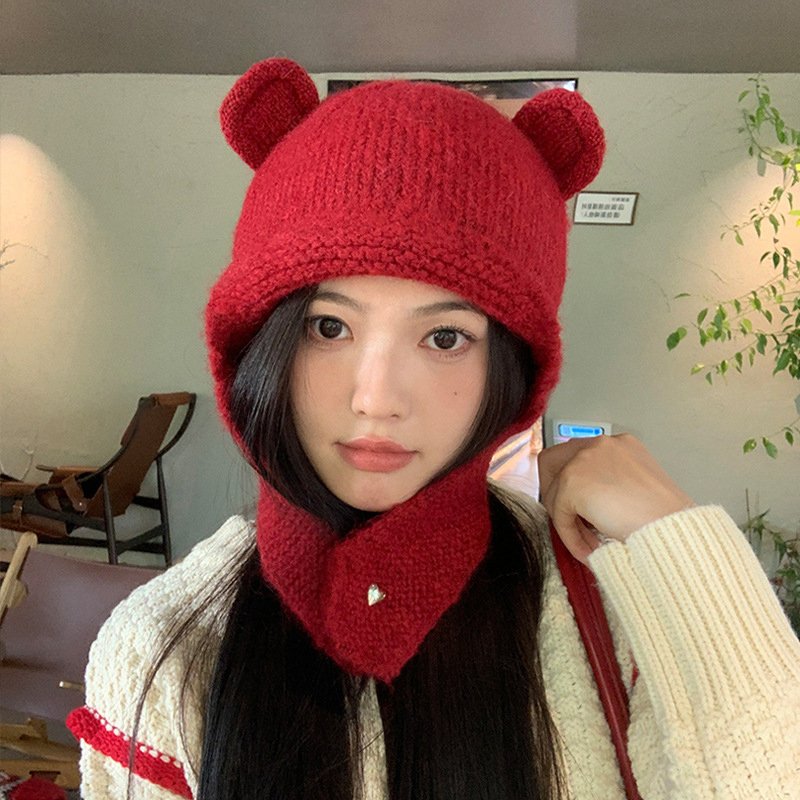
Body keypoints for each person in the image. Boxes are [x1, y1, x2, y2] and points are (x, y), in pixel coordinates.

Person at [67, 58, 800, 800]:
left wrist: (674, 533)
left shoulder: (605, 608)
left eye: (445, 337)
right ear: (259, 344)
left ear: (511, 368)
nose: (377, 399)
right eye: (328, 327)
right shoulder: (164, 651)